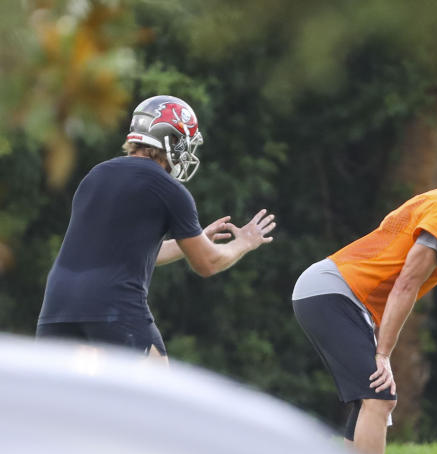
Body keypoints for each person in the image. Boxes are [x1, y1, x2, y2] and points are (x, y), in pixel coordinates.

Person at [292, 147, 437, 454]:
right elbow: (407, 284)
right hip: (336, 293)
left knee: (370, 401)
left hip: (336, 292)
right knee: (380, 397)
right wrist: (383, 353)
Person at [37, 95, 277, 359]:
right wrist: (244, 241)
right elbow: (207, 263)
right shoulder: (169, 189)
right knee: (154, 390)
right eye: (184, 142)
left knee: (62, 398)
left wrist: (193, 241)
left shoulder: (96, 175)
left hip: (58, 304)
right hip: (114, 304)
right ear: (171, 140)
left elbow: (131, 253)